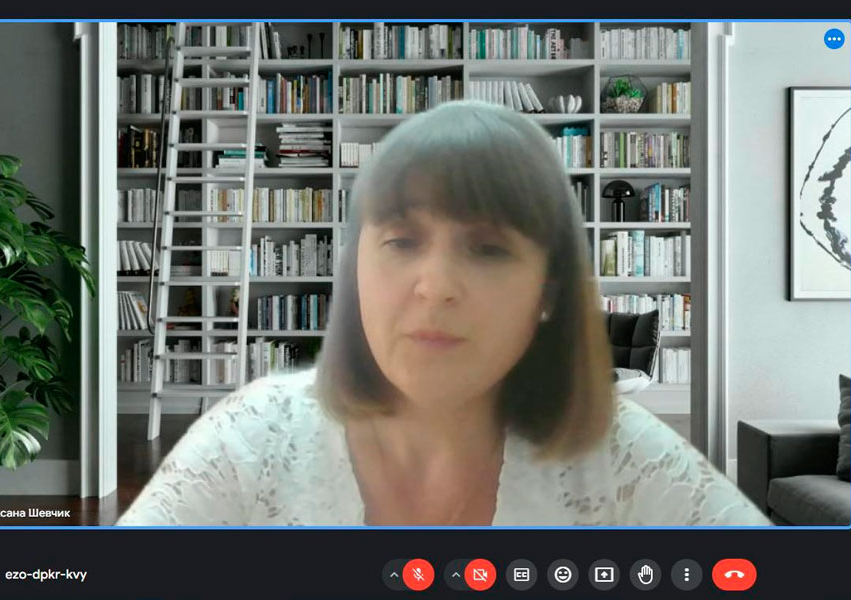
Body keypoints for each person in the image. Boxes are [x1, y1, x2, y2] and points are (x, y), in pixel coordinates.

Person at [118, 101, 771, 527]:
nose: (434, 287)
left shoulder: (625, 457)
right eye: (402, 241)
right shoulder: (247, 440)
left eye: (488, 248)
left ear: (548, 290)